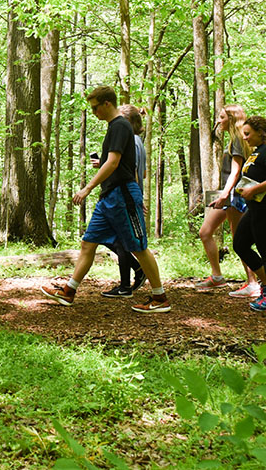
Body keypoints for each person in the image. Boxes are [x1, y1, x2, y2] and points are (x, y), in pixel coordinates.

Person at [41, 85, 169, 313]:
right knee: (88, 243)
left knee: (139, 248)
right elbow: (110, 162)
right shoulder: (114, 127)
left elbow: (113, 162)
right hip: (109, 197)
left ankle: (159, 298)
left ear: (107, 104)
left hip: (123, 195)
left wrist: (87, 187)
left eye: (95, 108)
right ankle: (69, 291)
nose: (93, 113)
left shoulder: (120, 125)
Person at [195, 104, 259, 297]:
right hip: (227, 194)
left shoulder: (239, 139)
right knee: (205, 232)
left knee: (238, 239)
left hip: (235, 196)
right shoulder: (235, 139)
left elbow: (235, 172)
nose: (218, 121)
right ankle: (217, 276)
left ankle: (253, 283)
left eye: (221, 117)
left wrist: (224, 195)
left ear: (231, 119)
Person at [100, 104, 146, 298]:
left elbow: (133, 171)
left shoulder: (133, 141)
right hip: (127, 194)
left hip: (125, 194)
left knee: (123, 242)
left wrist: (134, 198)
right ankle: (137, 272)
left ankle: (126, 285)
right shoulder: (137, 141)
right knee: (113, 239)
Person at [231, 116, 266, 311]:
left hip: (264, 208)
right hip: (254, 209)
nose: (244, 138)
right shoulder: (256, 152)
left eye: (247, 134)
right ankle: (265, 284)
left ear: (261, 132)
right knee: (240, 244)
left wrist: (256, 189)